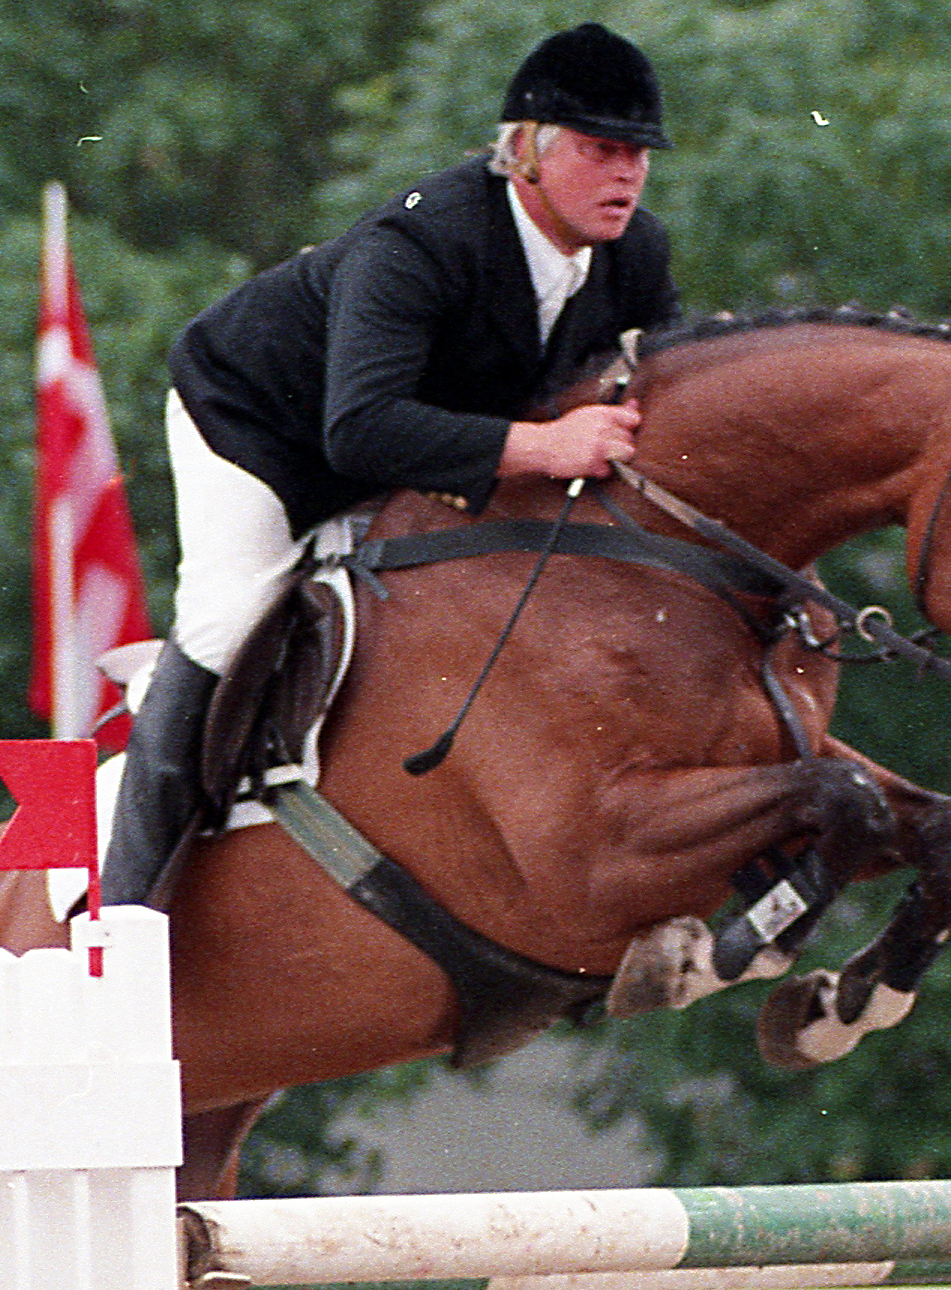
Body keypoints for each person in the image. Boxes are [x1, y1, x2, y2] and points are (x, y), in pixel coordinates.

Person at [102, 22, 682, 907]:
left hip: (425, 437)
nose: (628, 175)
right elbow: (360, 430)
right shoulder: (419, 243)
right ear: (527, 150)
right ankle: (129, 909)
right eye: (604, 150)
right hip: (260, 425)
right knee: (231, 614)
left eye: (639, 154)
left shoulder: (636, 253)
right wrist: (540, 446)